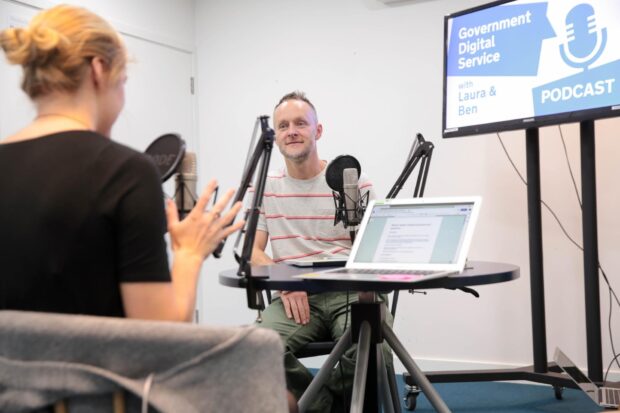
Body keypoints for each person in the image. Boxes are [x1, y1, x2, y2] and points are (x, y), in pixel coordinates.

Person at [0, 5, 244, 321]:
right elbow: (160, 338)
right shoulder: (127, 173)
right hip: (100, 372)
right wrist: (188, 253)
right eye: (123, 81)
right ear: (99, 70)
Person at [253, 91, 393, 412]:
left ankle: (328, 401)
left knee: (372, 352)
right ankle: (323, 404)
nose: (292, 131)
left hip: (351, 290)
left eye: (301, 123)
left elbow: (375, 249)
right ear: (275, 136)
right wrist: (283, 277)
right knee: (256, 349)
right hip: (295, 295)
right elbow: (252, 252)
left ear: (317, 131)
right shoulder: (266, 187)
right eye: (284, 125)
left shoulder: (353, 183)